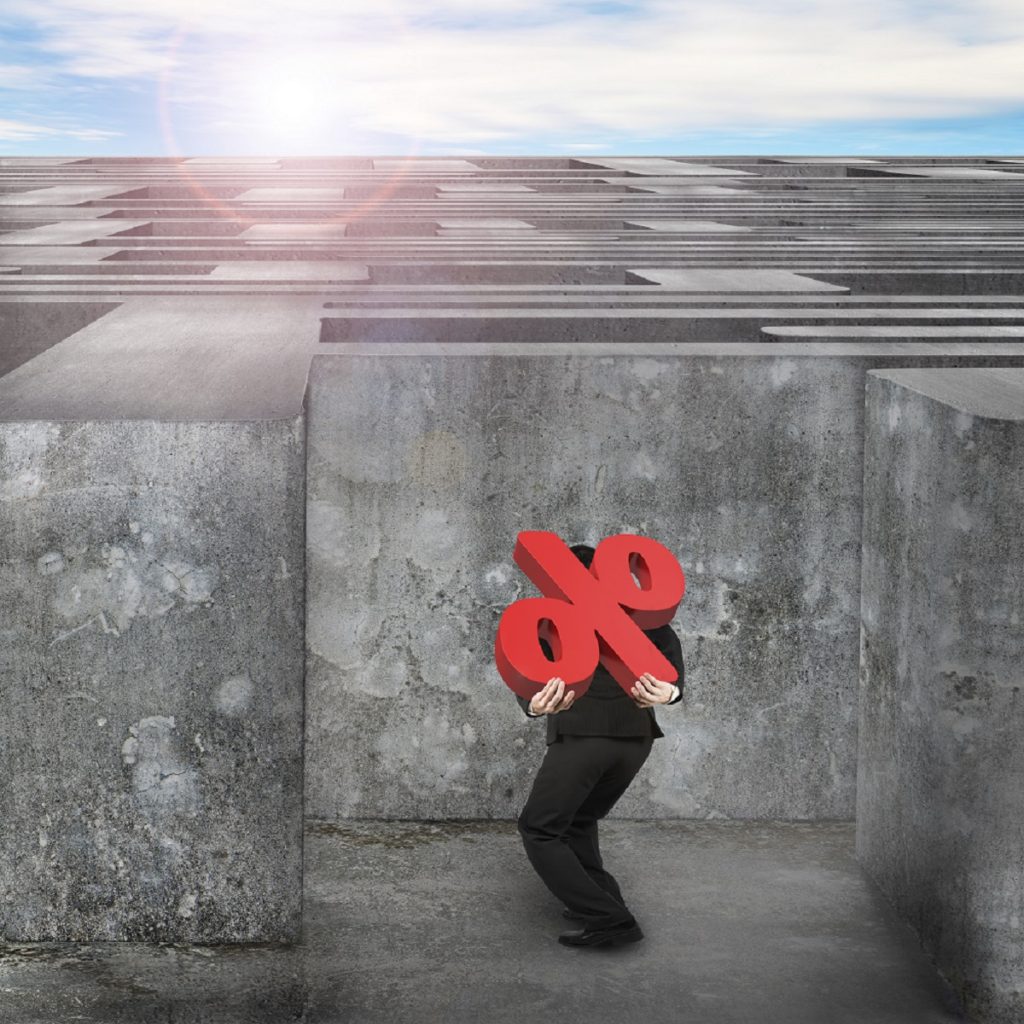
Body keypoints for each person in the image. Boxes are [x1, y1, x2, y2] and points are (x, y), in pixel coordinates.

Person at [514, 542, 685, 949]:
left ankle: (608, 918)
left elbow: (533, 682)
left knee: (539, 828)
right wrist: (672, 695)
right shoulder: (643, 621)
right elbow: (673, 678)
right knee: (577, 821)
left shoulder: (549, 622)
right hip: (636, 740)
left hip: (584, 737)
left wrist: (534, 708)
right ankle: (603, 898)